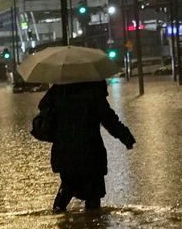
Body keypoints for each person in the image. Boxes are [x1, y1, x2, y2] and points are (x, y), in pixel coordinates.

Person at [38, 80, 135, 212]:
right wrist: (125, 136)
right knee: (93, 195)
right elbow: (108, 118)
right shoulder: (93, 88)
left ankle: (58, 216)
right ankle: (92, 222)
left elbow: (43, 107)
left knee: (67, 188)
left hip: (65, 151)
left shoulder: (60, 88)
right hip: (90, 151)